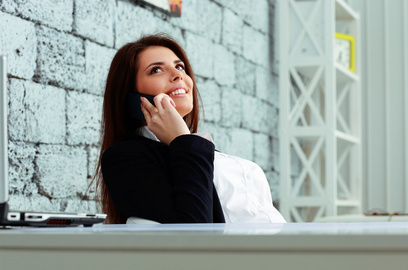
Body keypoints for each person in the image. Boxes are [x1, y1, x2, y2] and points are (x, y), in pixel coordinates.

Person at [94, 33, 286, 224]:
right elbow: (194, 231)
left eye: (179, 66)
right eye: (156, 70)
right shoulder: (125, 158)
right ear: (130, 97)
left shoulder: (208, 153)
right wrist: (182, 140)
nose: (178, 74)